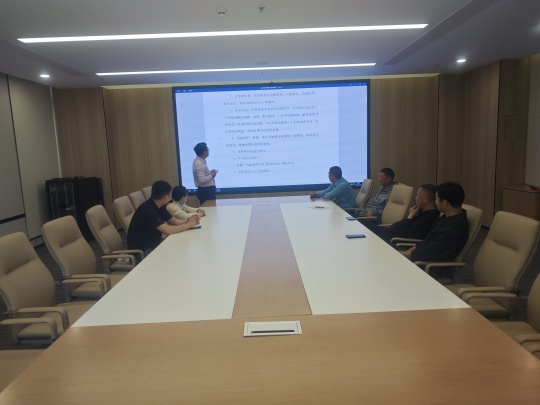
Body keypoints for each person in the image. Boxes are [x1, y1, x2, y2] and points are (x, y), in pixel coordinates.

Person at [400, 181, 468, 264]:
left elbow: (427, 252)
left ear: (444, 203)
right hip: (420, 257)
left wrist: (400, 255)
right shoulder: (447, 218)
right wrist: (405, 252)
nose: (435, 202)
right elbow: (427, 241)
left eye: (436, 199)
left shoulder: (452, 230)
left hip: (426, 266)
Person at [127, 180, 200, 255]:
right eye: (170, 195)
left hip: (154, 244)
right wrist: (188, 225)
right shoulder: (147, 210)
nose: (170, 197)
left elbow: (173, 221)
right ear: (165, 197)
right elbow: (168, 230)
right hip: (142, 251)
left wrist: (188, 222)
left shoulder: (160, 205)